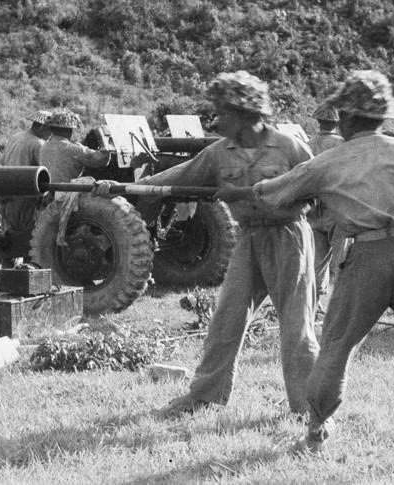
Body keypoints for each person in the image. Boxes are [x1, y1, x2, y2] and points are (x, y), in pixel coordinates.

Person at [216, 70, 394, 475]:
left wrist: (238, 194)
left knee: (336, 349)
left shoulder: (329, 160)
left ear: (347, 119)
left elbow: (276, 191)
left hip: (366, 259)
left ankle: (317, 430)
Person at [100, 71, 320, 417]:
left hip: (288, 238)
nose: (217, 120)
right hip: (249, 240)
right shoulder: (219, 154)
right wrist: (118, 188)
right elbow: (175, 177)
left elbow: (316, 193)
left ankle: (308, 407)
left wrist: (272, 199)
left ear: (245, 111)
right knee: (226, 319)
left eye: (224, 112)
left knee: (296, 326)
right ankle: (205, 395)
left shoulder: (289, 147)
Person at [0, 110, 56, 266]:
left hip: (7, 193)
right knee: (29, 239)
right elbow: (45, 172)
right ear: (42, 127)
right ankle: (29, 275)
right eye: (50, 131)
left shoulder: (15, 137)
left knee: (8, 238)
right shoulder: (38, 144)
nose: (50, 135)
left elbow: (2, 162)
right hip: (25, 197)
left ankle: (8, 274)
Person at [307, 104, 347, 321]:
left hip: (314, 208)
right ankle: (341, 309)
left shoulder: (307, 144)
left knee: (316, 261)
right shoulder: (343, 145)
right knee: (342, 260)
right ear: (336, 123)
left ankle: (314, 305)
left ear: (318, 121)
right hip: (337, 209)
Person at [38, 109, 111, 186]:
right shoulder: (74, 149)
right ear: (70, 130)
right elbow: (101, 159)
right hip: (66, 193)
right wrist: (103, 141)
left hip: (47, 193)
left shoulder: (44, 147)